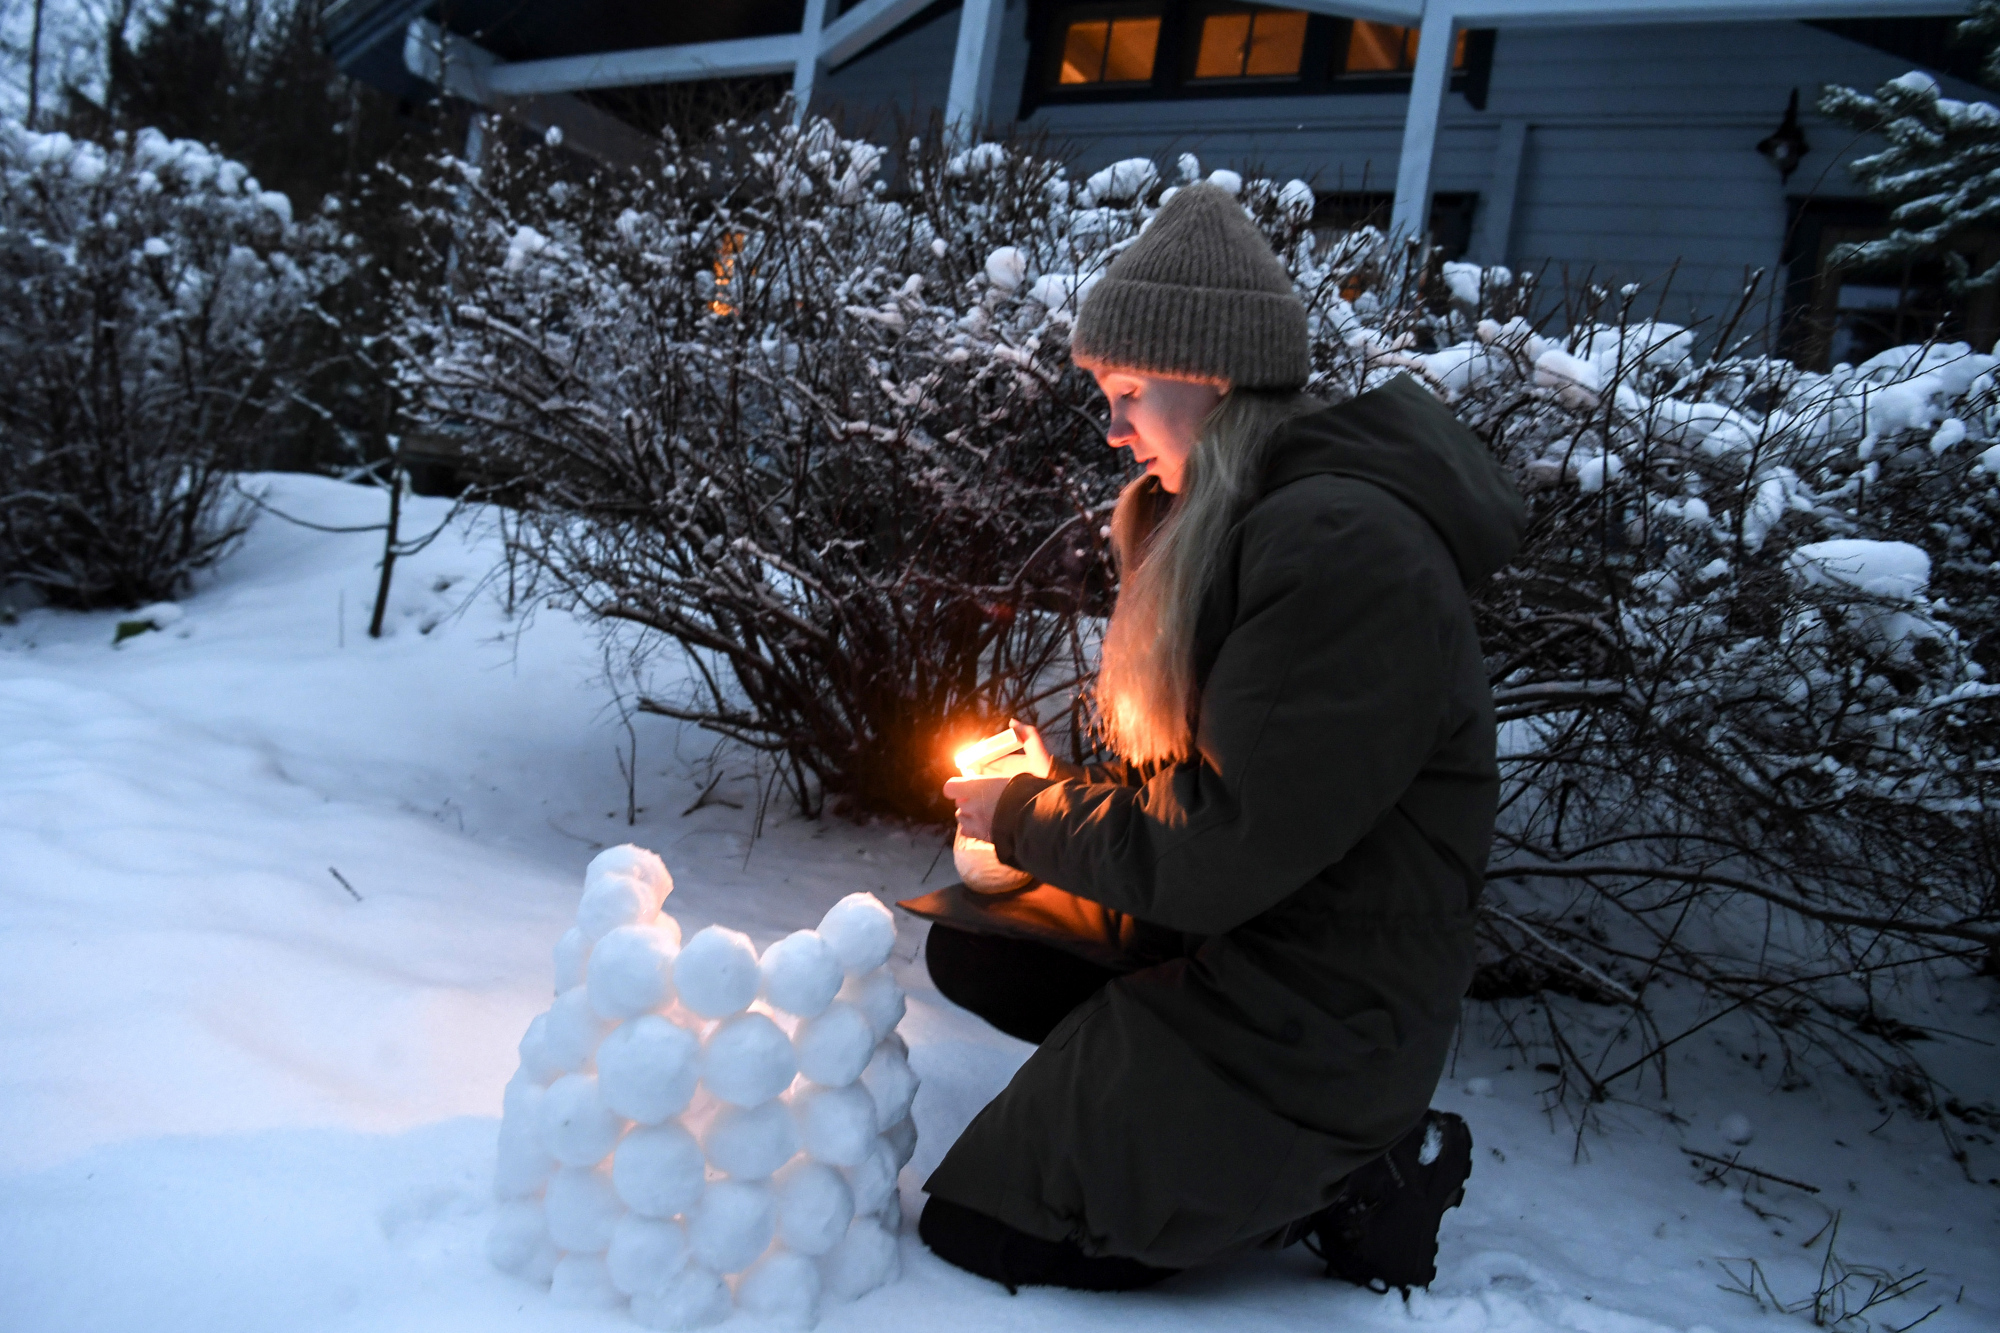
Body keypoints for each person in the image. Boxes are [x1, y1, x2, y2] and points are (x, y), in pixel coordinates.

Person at [896, 183, 1524, 1295]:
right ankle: (1154, 1088)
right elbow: (1221, 786)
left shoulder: (1341, 548)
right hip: (1245, 935)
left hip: (1319, 1005)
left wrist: (1027, 815)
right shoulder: (1242, 519)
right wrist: (1047, 793)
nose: (1112, 429)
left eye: (1128, 393)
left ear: (1215, 378)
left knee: (985, 1228)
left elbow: (1221, 842)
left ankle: (1363, 1167)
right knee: (984, 943)